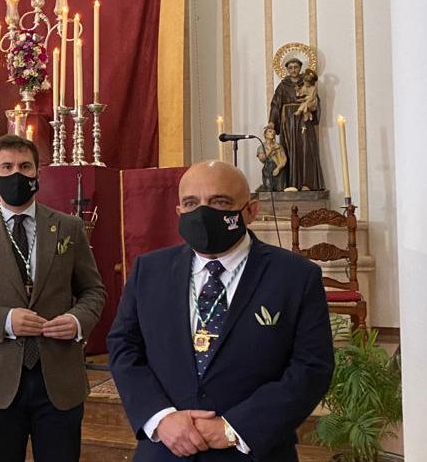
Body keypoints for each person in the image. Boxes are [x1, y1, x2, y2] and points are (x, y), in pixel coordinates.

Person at [107, 161, 334, 461]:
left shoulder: (295, 276)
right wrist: (160, 418)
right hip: (166, 449)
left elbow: (311, 366)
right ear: (178, 213)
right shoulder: (149, 270)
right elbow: (124, 347)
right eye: (191, 203)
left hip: (252, 450)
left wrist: (234, 428)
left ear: (251, 211)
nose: (203, 213)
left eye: (220, 202)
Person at [0, 134, 107, 461]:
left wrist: (77, 321)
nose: (16, 174)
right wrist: (4, 320)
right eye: (7, 166)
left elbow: (94, 291)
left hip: (59, 381)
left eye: (24, 166)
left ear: (37, 173)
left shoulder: (67, 227)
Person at [268, 58, 324, 191]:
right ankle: (289, 184)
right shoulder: (283, 85)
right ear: (287, 69)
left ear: (300, 68)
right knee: (288, 150)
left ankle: (307, 183)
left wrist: (311, 104)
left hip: (303, 120)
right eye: (290, 67)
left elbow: (314, 99)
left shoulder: (307, 83)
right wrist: (271, 122)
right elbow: (276, 105)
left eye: (296, 67)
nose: (293, 70)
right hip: (288, 121)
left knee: (306, 149)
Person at [255, 124, 287, 192]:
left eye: (273, 132)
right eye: (270, 131)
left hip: (279, 170)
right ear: (265, 135)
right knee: (269, 189)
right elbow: (262, 159)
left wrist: (278, 168)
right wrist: (270, 151)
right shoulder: (262, 147)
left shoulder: (278, 146)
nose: (272, 133)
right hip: (268, 170)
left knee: (280, 189)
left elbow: (284, 159)